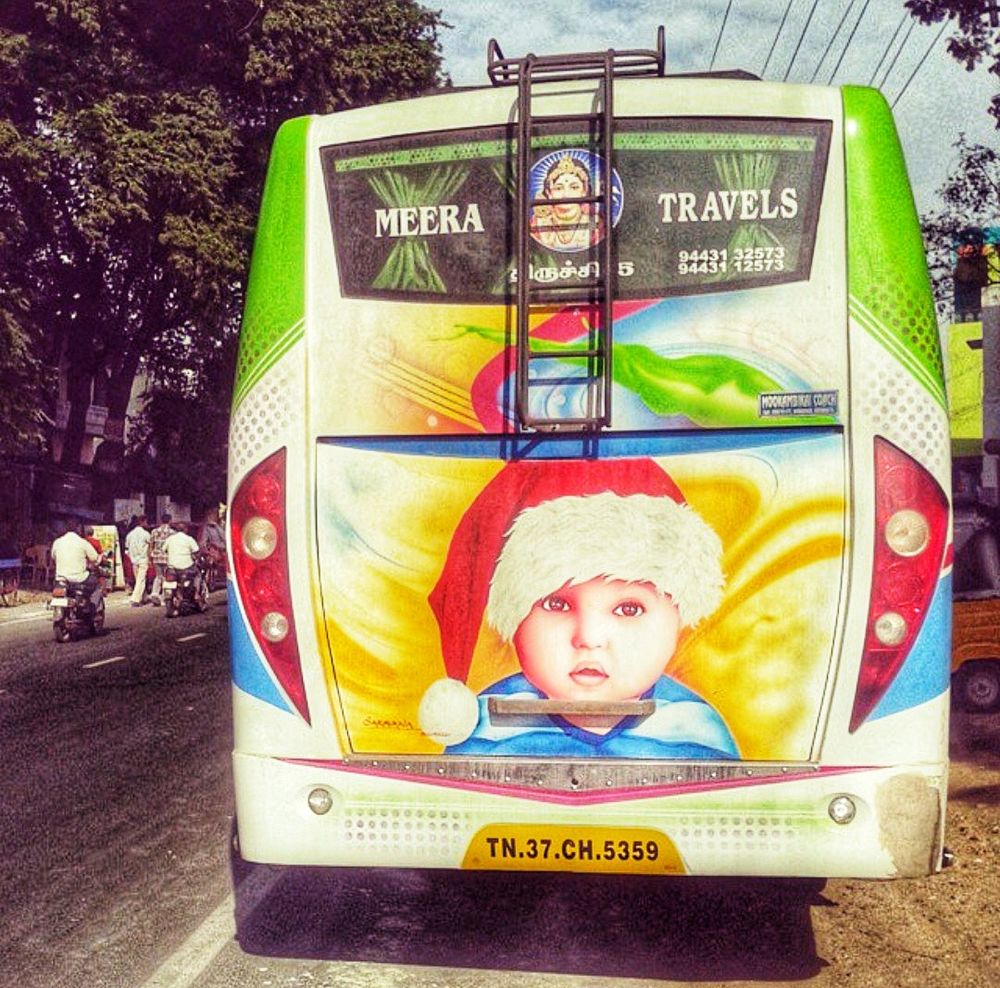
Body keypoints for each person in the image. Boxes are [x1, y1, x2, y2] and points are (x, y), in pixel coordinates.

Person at [425, 459, 738, 758]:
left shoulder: (696, 733)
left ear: (679, 618)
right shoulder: (487, 730)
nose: (589, 637)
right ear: (514, 617)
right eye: (556, 603)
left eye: (628, 609)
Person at [529, 153, 605, 253]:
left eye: (574, 187)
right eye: (558, 188)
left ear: (584, 191)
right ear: (549, 192)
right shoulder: (536, 224)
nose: (566, 194)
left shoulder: (598, 223)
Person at [51, 522, 102, 607]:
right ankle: (92, 608)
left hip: (61, 578)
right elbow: (94, 558)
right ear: (78, 530)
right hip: (79, 578)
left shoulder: (57, 542)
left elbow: (53, 556)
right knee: (96, 584)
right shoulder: (82, 542)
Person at [163, 522, 204, 595]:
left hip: (172, 566)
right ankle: (196, 594)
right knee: (198, 574)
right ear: (185, 530)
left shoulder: (170, 539)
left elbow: (163, 549)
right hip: (186, 566)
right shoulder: (189, 539)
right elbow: (196, 551)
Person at [124, 515, 151, 606]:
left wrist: (131, 557)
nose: (147, 524)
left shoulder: (130, 535)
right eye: (146, 522)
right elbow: (150, 546)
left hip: (134, 560)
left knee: (139, 580)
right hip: (143, 559)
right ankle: (135, 599)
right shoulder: (146, 534)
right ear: (142, 522)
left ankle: (144, 597)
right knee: (141, 580)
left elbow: (126, 549)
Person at [148, 513, 174, 606]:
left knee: (158, 576)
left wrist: (150, 558)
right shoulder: (172, 532)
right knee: (166, 578)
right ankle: (163, 598)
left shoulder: (154, 531)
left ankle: (154, 593)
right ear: (170, 520)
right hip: (167, 557)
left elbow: (151, 545)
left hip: (156, 557)